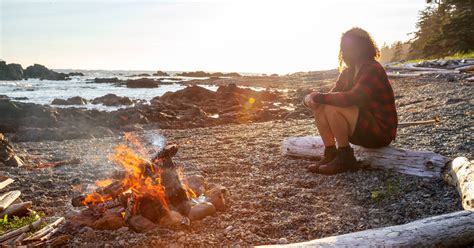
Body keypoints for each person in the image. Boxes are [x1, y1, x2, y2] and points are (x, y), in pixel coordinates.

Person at [303, 27, 398, 175]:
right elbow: (331, 96)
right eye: (345, 48)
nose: (348, 51)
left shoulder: (372, 68)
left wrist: (318, 96)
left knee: (332, 106)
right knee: (322, 106)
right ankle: (331, 154)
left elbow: (355, 97)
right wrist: (310, 99)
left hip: (379, 132)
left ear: (364, 46)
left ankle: (346, 157)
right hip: (360, 128)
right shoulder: (348, 72)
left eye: (352, 47)